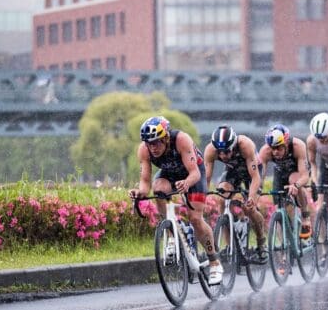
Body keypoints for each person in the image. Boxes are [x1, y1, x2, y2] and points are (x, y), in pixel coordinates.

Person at [128, 116, 223, 284]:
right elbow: (145, 181)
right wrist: (140, 192)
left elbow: (195, 173)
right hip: (170, 175)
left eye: (156, 142)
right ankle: (172, 233)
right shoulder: (144, 150)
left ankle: (214, 262)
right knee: (158, 189)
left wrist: (186, 183)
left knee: (195, 219)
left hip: (192, 175)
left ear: (165, 137)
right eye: (149, 143)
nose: (153, 147)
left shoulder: (181, 140)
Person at [204, 125, 268, 262]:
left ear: (233, 146)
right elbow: (207, 178)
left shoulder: (245, 145)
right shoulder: (210, 150)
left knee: (250, 208)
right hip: (233, 171)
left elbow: (256, 177)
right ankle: (228, 243)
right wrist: (201, 196)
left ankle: (261, 243)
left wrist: (251, 197)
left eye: (226, 152)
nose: (222, 156)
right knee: (221, 198)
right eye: (219, 152)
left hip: (253, 172)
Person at [258, 124, 312, 239]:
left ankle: (305, 217)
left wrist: (296, 185)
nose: (275, 152)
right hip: (280, 173)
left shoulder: (298, 146)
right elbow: (260, 177)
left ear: (286, 143)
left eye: (279, 148)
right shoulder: (265, 151)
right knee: (279, 209)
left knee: (294, 180)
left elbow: (305, 176)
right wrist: (257, 191)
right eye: (273, 148)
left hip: (297, 172)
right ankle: (284, 249)